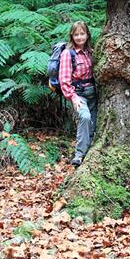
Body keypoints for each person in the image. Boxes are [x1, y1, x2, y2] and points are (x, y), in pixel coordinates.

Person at [58, 21, 97, 167]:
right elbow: (64, 80)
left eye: (82, 34)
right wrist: (72, 97)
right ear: (71, 36)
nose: (80, 37)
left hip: (93, 94)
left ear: (87, 35)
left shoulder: (90, 52)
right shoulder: (68, 54)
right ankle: (79, 155)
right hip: (79, 95)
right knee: (85, 117)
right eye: (76, 34)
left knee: (94, 124)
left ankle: (89, 153)